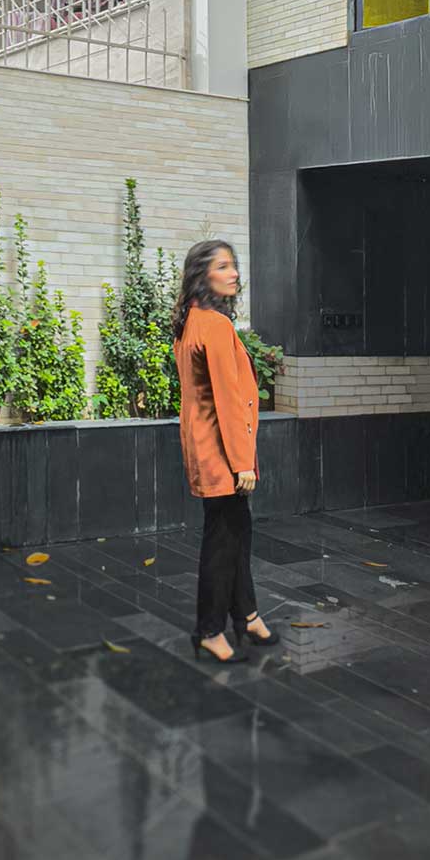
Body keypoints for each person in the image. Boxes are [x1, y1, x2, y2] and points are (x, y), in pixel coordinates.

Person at [172, 238, 279, 664]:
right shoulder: (214, 326)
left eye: (234, 266)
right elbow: (228, 400)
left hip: (203, 445)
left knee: (235, 531)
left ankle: (247, 615)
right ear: (203, 276)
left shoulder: (192, 322)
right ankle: (210, 630)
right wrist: (242, 462)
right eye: (223, 267)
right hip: (221, 450)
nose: (234, 273)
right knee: (223, 540)